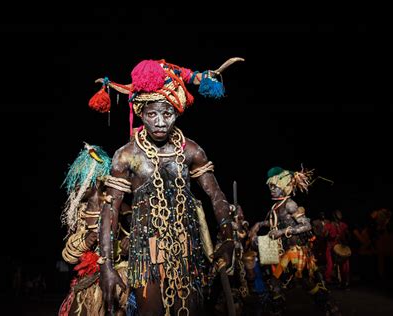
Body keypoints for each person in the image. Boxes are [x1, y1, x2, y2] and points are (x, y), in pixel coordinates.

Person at [90, 58, 244, 315]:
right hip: (145, 252)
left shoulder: (191, 150)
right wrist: (105, 266)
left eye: (168, 113)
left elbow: (215, 194)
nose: (160, 122)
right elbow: (111, 209)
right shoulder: (127, 155)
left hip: (187, 249)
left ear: (177, 111)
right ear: (141, 112)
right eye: (152, 114)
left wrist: (228, 238)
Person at [248, 166, 340, 316]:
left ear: (284, 186)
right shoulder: (275, 207)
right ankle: (278, 309)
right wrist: (259, 224)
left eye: (274, 186)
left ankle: (326, 303)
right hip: (284, 252)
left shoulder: (290, 204)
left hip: (295, 253)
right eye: (270, 186)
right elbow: (274, 223)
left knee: (305, 282)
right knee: (275, 283)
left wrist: (283, 232)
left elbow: (306, 225)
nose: (271, 189)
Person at [58, 143, 131, 316]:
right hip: (87, 280)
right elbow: (68, 256)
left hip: (118, 274)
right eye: (74, 180)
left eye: (80, 180)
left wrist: (129, 243)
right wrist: (84, 241)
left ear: (96, 179)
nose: (76, 186)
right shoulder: (78, 213)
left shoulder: (118, 206)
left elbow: (139, 231)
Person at [323, 209, 351, 288]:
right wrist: (326, 234)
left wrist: (348, 235)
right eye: (338, 214)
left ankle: (344, 282)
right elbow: (324, 236)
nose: (340, 215)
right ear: (334, 215)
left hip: (341, 247)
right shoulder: (328, 225)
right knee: (330, 265)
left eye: (340, 213)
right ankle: (326, 281)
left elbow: (348, 236)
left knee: (345, 266)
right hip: (330, 247)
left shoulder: (344, 225)